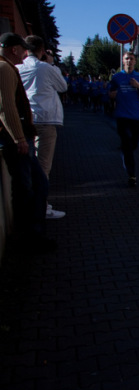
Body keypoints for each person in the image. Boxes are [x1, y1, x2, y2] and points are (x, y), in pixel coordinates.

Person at [0, 33, 54, 252]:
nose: (26, 53)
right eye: (23, 49)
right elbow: (6, 107)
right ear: (14, 49)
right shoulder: (4, 68)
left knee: (32, 185)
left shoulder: (7, 68)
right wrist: (19, 138)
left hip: (15, 138)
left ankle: (31, 234)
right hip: (15, 140)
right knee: (29, 187)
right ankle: (30, 236)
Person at [18, 35, 68, 220]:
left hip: (24, 121)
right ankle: (41, 208)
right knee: (43, 167)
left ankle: (31, 206)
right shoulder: (46, 68)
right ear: (41, 50)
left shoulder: (17, 68)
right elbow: (62, 86)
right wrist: (51, 63)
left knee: (26, 166)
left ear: (25, 50)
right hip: (45, 120)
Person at [108, 51, 139, 187]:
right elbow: (110, 93)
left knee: (133, 145)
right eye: (127, 58)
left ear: (135, 62)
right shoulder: (117, 77)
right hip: (122, 116)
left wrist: (138, 86)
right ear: (123, 61)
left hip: (137, 117)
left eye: (131, 59)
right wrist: (114, 94)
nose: (129, 61)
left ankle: (125, 153)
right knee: (126, 143)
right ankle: (132, 175)